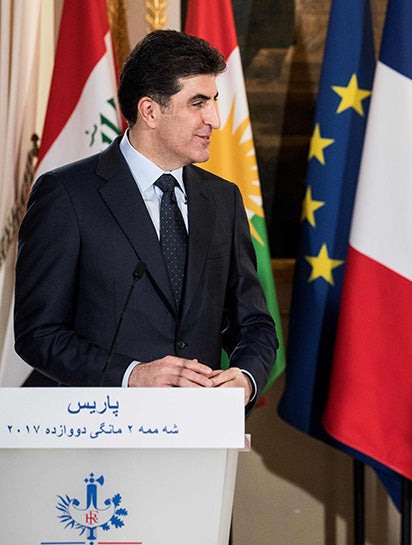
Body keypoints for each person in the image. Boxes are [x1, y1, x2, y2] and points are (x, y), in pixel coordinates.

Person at [14, 29, 277, 407]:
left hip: (199, 428)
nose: (215, 119)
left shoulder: (223, 199)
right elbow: (38, 334)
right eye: (198, 103)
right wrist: (131, 374)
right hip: (103, 428)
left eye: (214, 101)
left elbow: (253, 323)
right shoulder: (66, 195)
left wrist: (245, 378)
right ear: (150, 111)